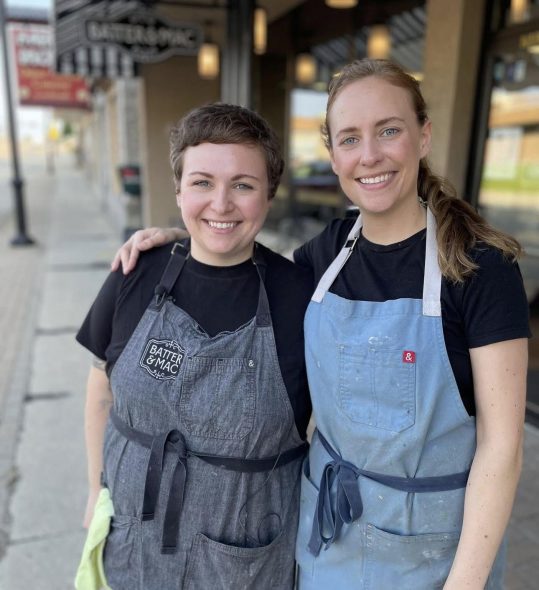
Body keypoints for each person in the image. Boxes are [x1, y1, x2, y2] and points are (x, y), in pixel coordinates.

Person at [113, 59, 529, 589]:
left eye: (390, 131)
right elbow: (237, 254)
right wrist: (179, 237)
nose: (370, 155)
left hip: (434, 553)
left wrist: (465, 583)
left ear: (423, 137)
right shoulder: (325, 254)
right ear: (332, 155)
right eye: (350, 138)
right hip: (325, 541)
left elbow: (503, 448)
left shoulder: (479, 267)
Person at [76, 103, 313, 589]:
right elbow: (101, 386)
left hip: (245, 563)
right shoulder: (136, 271)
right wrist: (95, 487)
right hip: (133, 546)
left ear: (268, 195)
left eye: (243, 185)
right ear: (179, 189)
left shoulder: (302, 300)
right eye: (202, 182)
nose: (220, 204)